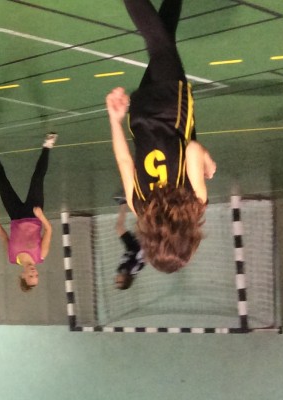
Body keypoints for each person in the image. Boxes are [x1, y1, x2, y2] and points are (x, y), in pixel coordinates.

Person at [105, 0, 216, 273]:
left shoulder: (195, 201)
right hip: (141, 115)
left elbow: (192, 149)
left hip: (171, 108)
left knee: (159, 45)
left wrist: (207, 160)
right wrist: (115, 120)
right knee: (164, 40)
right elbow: (124, 161)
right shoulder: (138, 206)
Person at [0, 133, 56, 292]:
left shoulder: (12, 257)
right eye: (36, 276)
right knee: (37, 179)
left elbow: (4, 237)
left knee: (2, 183)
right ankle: (48, 145)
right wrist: (41, 216)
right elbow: (49, 230)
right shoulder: (41, 255)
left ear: (22, 276)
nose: (34, 273)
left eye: (31, 276)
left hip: (15, 215)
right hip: (34, 215)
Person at [113, 197, 146, 290]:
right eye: (119, 282)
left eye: (116, 282)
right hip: (139, 246)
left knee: (119, 227)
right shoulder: (133, 270)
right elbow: (144, 260)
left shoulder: (120, 269)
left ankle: (123, 202)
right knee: (139, 223)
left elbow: (127, 255)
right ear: (125, 280)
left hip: (130, 246)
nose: (117, 280)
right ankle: (144, 203)